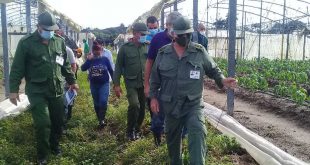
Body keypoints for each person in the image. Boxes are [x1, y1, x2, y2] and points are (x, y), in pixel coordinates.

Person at [149, 16, 237, 164]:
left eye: (188, 34)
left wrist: (222, 80)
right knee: (173, 146)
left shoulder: (199, 51)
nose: (186, 37)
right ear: (174, 34)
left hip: (193, 105)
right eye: (182, 35)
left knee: (198, 135)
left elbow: (213, 69)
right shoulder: (163, 53)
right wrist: (153, 98)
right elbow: (155, 78)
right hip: (171, 107)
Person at [9, 11, 78, 165]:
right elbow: (17, 68)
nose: (50, 32)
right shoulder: (26, 43)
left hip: (57, 89)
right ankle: (42, 155)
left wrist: (72, 81)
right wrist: (13, 90)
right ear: (39, 27)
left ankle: (54, 145)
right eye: (47, 29)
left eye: (52, 29)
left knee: (58, 121)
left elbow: (65, 64)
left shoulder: (59, 41)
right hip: (37, 90)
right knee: (42, 123)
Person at [144, 11, 182, 146]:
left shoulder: (184, 38)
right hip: (160, 84)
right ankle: (157, 139)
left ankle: (176, 143)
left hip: (178, 86)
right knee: (158, 116)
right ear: (167, 25)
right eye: (172, 25)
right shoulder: (158, 39)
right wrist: (147, 85)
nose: (175, 29)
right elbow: (149, 61)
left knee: (178, 116)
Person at [113, 22, 149, 141]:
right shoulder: (125, 48)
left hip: (144, 83)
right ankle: (130, 131)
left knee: (142, 109)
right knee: (134, 105)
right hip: (131, 83)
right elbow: (118, 66)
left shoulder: (147, 47)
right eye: (142, 34)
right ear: (134, 33)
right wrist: (116, 84)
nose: (144, 36)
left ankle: (137, 129)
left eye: (145, 34)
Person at [81, 41, 113, 129]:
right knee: (96, 103)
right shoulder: (90, 60)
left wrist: (115, 83)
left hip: (104, 84)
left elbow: (110, 70)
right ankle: (100, 119)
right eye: (95, 50)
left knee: (103, 101)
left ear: (101, 51)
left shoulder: (105, 59)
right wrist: (88, 60)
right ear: (93, 51)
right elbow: (83, 68)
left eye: (98, 50)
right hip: (94, 84)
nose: (97, 52)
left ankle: (102, 119)